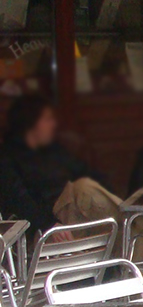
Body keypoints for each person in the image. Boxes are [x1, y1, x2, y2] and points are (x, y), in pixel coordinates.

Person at [0, 95, 108, 236]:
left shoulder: (54, 150)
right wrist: (48, 224)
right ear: (31, 123)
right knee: (84, 188)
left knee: (89, 188)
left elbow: (88, 173)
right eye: (48, 119)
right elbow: (20, 201)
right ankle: (130, 219)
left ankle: (130, 220)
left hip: (80, 217)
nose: (54, 124)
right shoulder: (8, 158)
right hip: (48, 224)